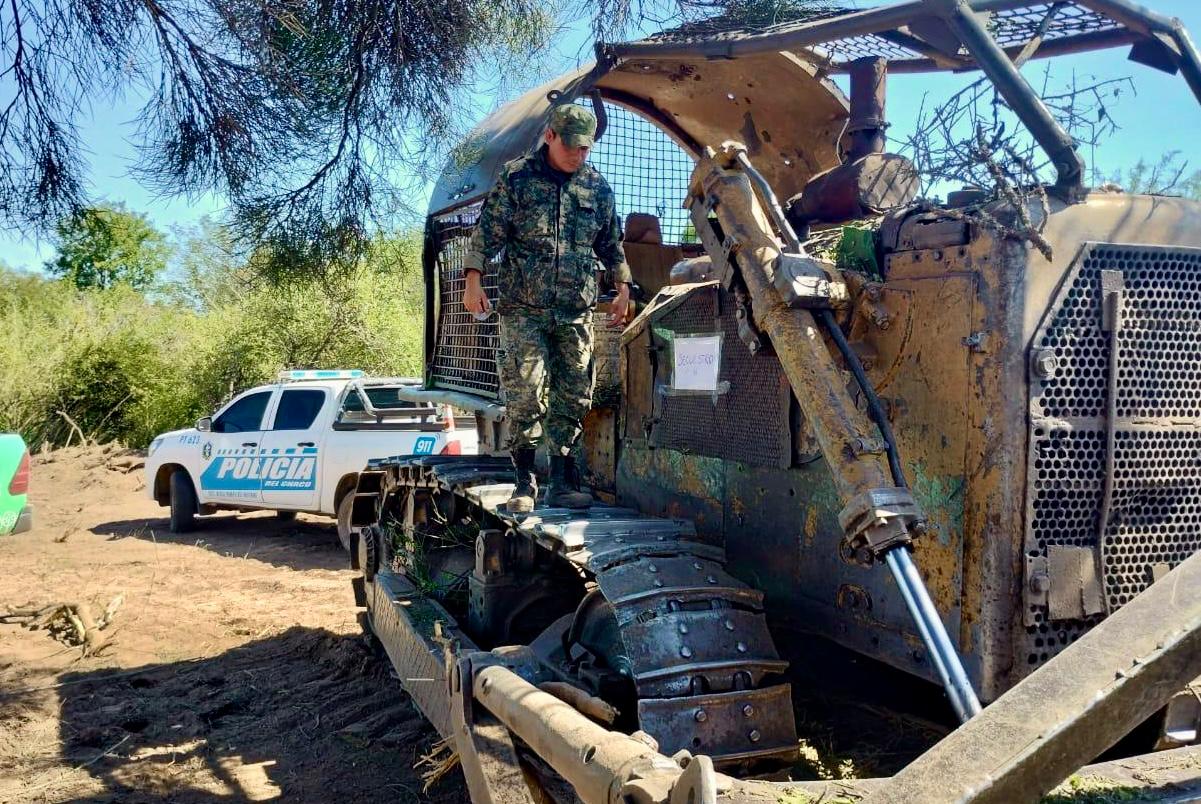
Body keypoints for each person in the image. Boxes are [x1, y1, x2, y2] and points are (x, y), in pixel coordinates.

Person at [462, 103, 631, 512]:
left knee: (575, 393)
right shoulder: (518, 178)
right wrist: (473, 279)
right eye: (571, 146)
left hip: (574, 308)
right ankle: (524, 484)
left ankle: (562, 479)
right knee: (525, 393)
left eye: (585, 149)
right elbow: (489, 233)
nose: (578, 155)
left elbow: (610, 244)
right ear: (550, 137)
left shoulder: (596, 187)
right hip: (524, 308)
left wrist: (623, 285)